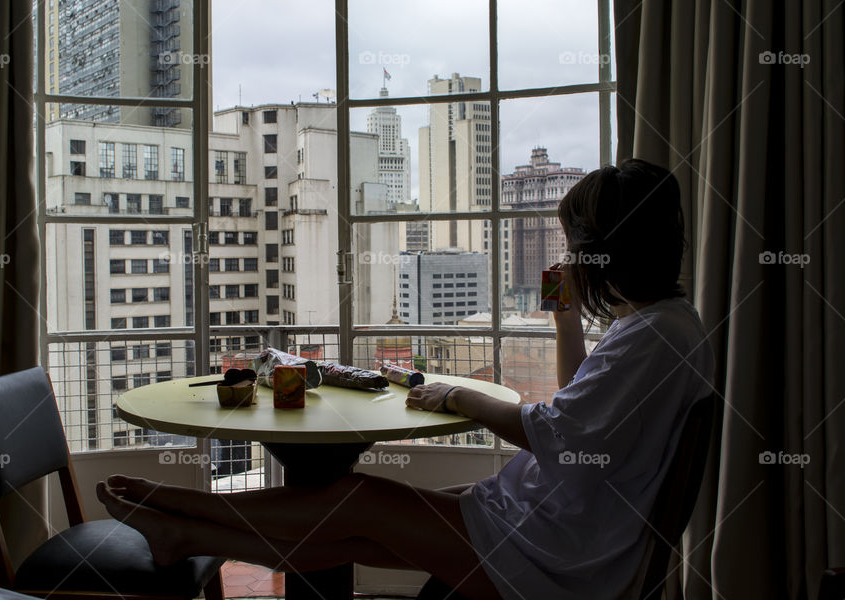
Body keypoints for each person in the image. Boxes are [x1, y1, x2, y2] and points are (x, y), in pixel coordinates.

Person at [96, 159, 714, 600]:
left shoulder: (656, 337)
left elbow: (560, 434)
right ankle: (186, 527)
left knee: (354, 500)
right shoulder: (662, 326)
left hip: (558, 554)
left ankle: (186, 511)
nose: (574, 256)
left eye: (579, 243)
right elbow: (586, 412)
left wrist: (454, 394)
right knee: (349, 528)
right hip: (559, 527)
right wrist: (565, 320)